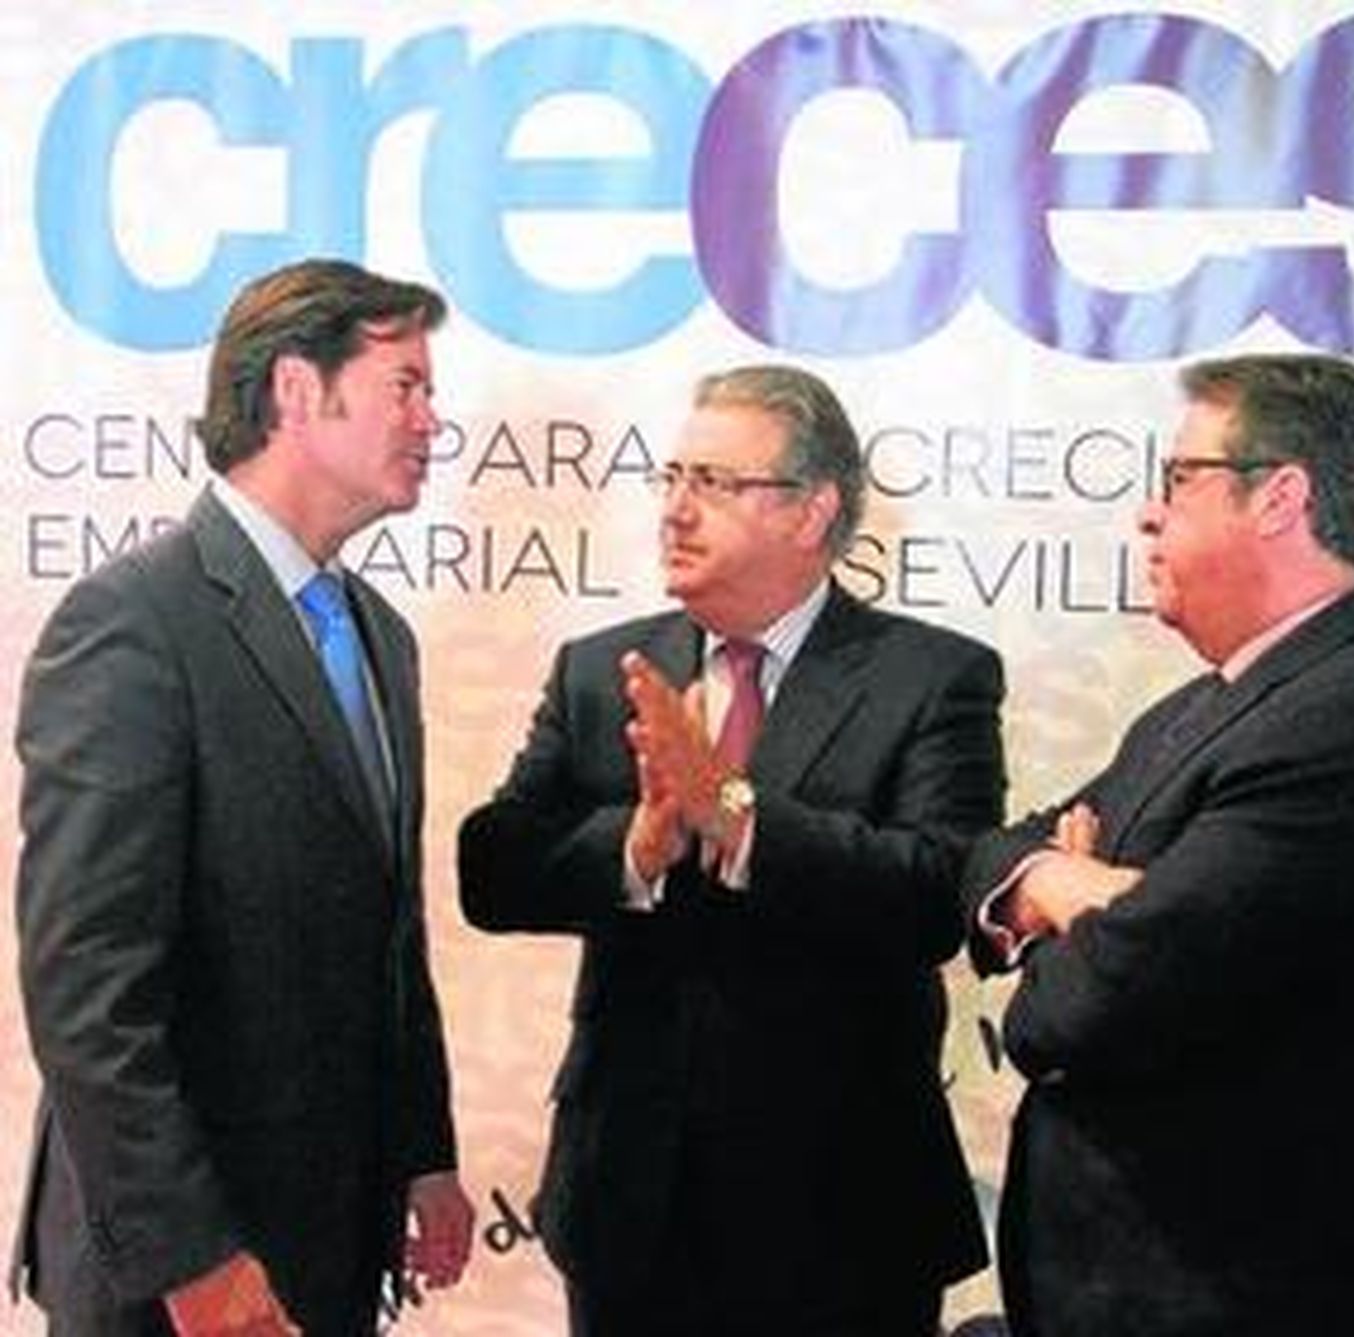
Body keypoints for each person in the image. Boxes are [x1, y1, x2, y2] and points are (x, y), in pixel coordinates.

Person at [965, 354, 1354, 1336]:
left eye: (1179, 478)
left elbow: (1091, 1005)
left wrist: (1082, 924)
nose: (1148, 512)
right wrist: (1066, 880)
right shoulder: (1210, 704)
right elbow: (998, 851)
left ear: (1280, 498)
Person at [458, 364, 1003, 1337]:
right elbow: (494, 868)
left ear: (812, 509)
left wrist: (734, 814)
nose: (675, 509)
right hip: (631, 1205)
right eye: (671, 477)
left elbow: (933, 895)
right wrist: (634, 844)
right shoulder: (604, 669)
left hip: (841, 1214)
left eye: (712, 482)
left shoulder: (931, 677)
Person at [11, 258, 475, 1335]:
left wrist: (421, 1150)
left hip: (330, 1239)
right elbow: (87, 986)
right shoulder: (133, 622)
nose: (431, 420)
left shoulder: (382, 637)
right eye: (406, 385)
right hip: (176, 1272)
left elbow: (388, 931)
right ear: (297, 391)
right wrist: (193, 1258)